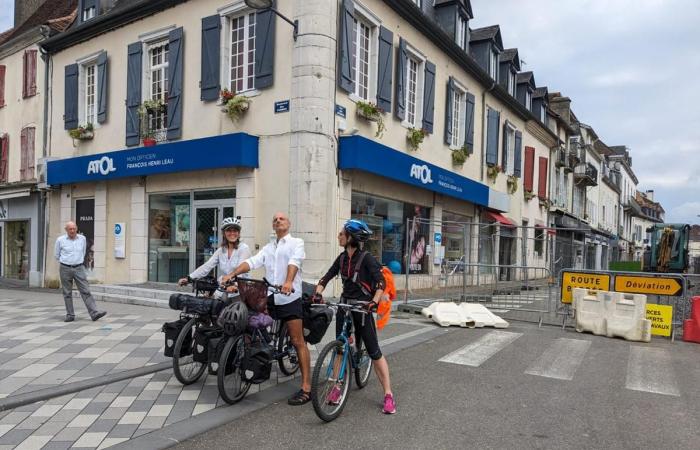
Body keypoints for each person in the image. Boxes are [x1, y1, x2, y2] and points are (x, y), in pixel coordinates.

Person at [222, 212, 310, 405]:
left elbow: (294, 262)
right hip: (270, 297)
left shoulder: (297, 243)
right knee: (254, 326)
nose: (278, 221)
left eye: (282, 219)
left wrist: (288, 282)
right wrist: (232, 273)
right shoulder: (269, 247)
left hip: (290, 297)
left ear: (289, 223)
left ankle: (306, 387)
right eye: (275, 219)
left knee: (297, 341)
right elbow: (252, 262)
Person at [314, 219, 396, 414]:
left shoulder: (367, 258)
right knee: (340, 349)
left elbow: (380, 283)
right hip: (344, 307)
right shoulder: (341, 258)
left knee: (374, 352)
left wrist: (373, 302)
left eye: (342, 233)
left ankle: (388, 395)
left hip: (363, 309)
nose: (339, 236)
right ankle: (336, 388)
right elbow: (326, 276)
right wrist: (318, 292)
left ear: (351, 237)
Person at [178, 217, 251, 296]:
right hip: (225, 287)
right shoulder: (222, 250)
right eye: (229, 230)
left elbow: (240, 271)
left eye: (235, 231)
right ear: (224, 233)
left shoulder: (244, 249)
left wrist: (235, 285)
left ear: (239, 233)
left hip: (241, 291)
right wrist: (189, 278)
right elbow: (207, 266)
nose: (232, 233)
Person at [54, 221, 107, 323]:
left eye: (74, 228)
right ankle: (70, 315)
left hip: (79, 268)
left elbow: (83, 252)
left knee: (86, 290)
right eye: (70, 229)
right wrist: (66, 261)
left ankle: (94, 313)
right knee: (67, 292)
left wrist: (77, 262)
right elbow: (57, 255)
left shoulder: (82, 239)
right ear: (66, 230)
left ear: (76, 228)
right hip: (65, 268)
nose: (73, 231)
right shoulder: (60, 240)